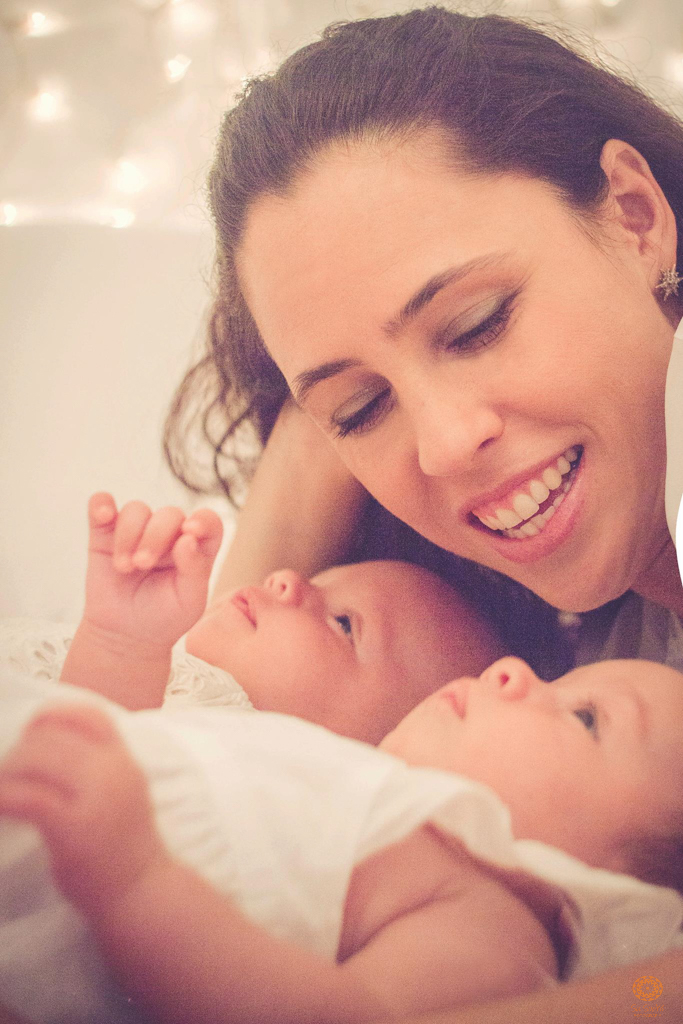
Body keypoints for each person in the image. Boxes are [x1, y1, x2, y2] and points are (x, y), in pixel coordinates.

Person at [0, 654, 682, 1024]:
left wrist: (135, 880)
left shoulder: (495, 929)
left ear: (624, 883)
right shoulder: (353, 776)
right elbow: (127, 753)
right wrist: (122, 641)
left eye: (586, 718)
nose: (512, 670)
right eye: (560, 679)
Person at [15, 491, 499, 744]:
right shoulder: (169, 675)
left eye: (344, 623)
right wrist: (124, 638)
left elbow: (85, 774)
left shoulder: (266, 783)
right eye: (320, 578)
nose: (287, 579)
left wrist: (119, 645)